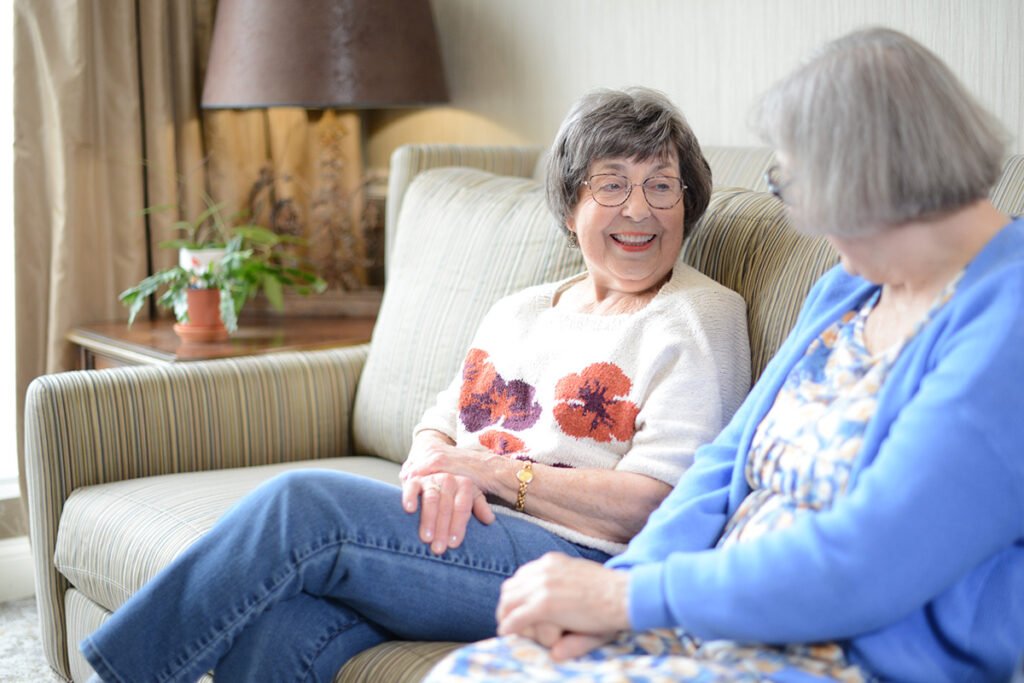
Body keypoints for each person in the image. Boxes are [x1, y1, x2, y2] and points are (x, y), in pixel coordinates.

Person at [80, 87, 751, 682]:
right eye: (612, 184)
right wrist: (441, 470)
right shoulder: (521, 308)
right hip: (467, 535)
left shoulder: (697, 316)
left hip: (581, 560)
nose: (640, 209)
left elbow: (651, 505)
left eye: (662, 186)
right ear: (571, 202)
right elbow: (438, 422)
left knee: (302, 507)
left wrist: (486, 470)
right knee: (279, 625)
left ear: (686, 204)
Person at [426, 27, 1024, 683]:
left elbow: (876, 556)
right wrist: (609, 599)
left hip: (847, 653)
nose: (808, 224)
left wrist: (626, 597)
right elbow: (717, 471)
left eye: (800, 187)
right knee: (476, 669)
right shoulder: (850, 289)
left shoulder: (1006, 316)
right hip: (717, 625)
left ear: (877, 171)